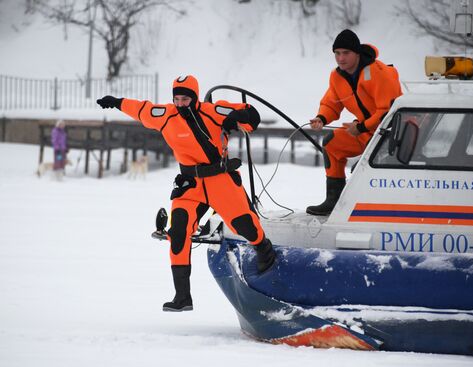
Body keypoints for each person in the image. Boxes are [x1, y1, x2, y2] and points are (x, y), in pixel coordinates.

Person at [96, 75, 276, 312]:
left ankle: (264, 249)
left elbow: (251, 114)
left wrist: (238, 118)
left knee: (245, 226)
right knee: (178, 232)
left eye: (186, 99)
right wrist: (117, 102)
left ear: (195, 97)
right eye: (177, 99)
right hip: (190, 184)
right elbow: (141, 109)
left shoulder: (214, 110)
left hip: (220, 179)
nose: (181, 104)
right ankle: (182, 297)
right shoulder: (166, 115)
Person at [307, 29, 403, 216]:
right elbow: (331, 103)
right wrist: (322, 118)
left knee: (364, 165)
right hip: (365, 132)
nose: (341, 58)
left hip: (392, 135)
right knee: (331, 143)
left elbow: (388, 113)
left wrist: (360, 127)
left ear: (357, 53)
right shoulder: (337, 76)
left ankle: (376, 208)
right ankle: (333, 201)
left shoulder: (379, 72)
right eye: (337, 53)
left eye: (346, 53)